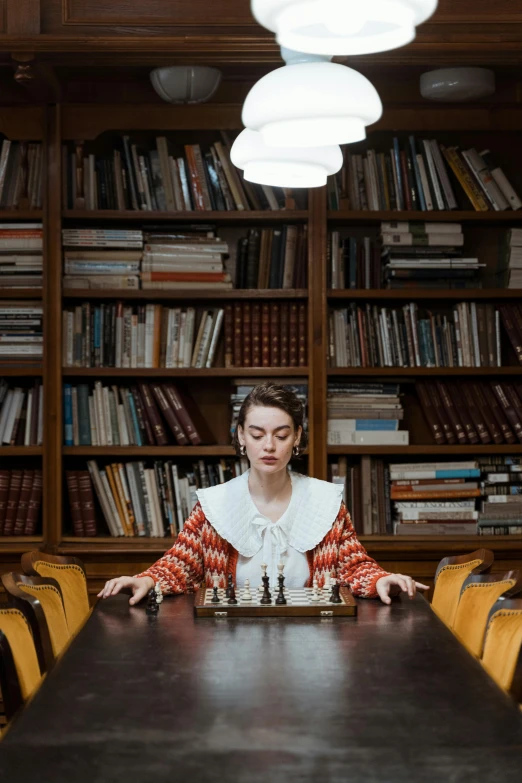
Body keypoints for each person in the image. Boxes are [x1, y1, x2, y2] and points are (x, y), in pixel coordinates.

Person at [98, 382, 429, 606]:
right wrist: (147, 581)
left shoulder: (324, 502)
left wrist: (382, 579)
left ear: (297, 437)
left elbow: (355, 568)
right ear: (241, 436)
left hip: (313, 647)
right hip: (229, 646)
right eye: (257, 434)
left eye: (281, 435)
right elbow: (178, 566)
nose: (269, 446)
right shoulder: (214, 505)